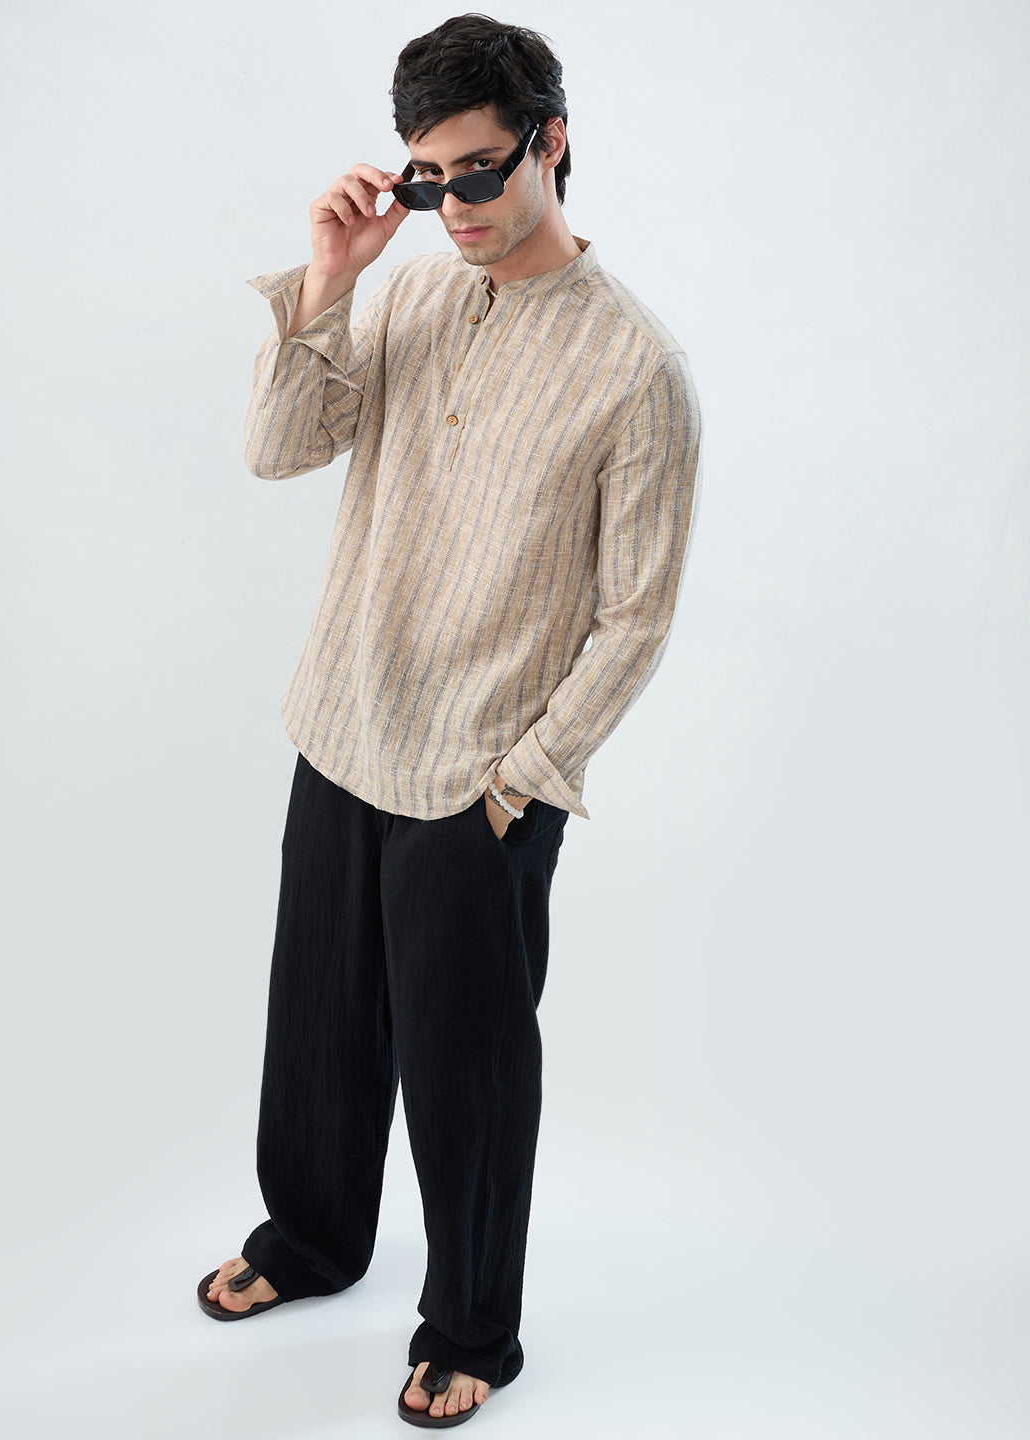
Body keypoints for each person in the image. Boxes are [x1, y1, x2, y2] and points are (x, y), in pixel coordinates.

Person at [197, 13, 702, 1429]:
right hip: (344, 718)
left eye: (480, 170)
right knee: (317, 1024)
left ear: (552, 143)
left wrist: (522, 782)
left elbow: (636, 619)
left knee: (465, 1073)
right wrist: (334, 276)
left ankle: (473, 1325)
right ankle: (312, 1240)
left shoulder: (635, 369)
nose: (456, 205)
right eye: (429, 178)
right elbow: (276, 451)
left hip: (478, 777)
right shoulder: (412, 292)